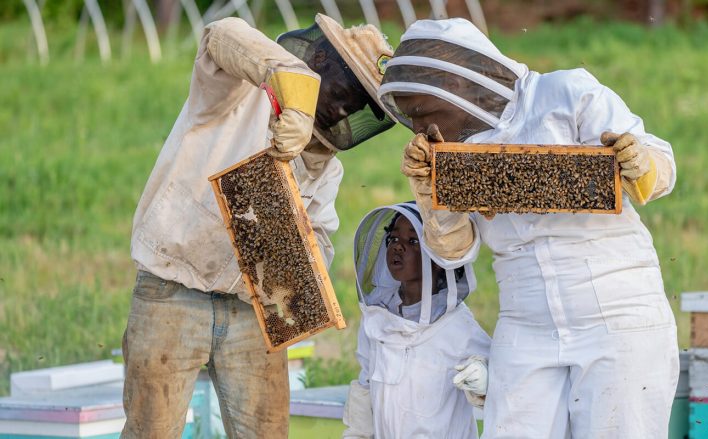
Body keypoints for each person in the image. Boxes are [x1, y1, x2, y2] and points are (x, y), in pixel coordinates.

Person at [378, 18, 679, 439]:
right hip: (525, 318)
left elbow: (660, 167)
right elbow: (454, 252)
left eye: (424, 113)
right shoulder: (455, 149)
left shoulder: (564, 92)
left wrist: (641, 164)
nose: (422, 129)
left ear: (458, 85)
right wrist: (432, 198)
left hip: (615, 304)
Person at [122, 14, 394, 438]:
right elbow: (220, 31)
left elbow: (320, 240)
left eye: (356, 104)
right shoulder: (237, 91)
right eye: (345, 91)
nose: (344, 108)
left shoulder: (326, 169)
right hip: (172, 289)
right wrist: (297, 95)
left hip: (255, 314)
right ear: (321, 59)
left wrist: (299, 256)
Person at [342, 202, 492, 439]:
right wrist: (357, 434)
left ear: (437, 258)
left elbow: (502, 384)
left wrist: (484, 378)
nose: (398, 247)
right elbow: (366, 384)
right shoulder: (377, 318)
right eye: (392, 239)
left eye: (413, 241)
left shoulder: (457, 326)